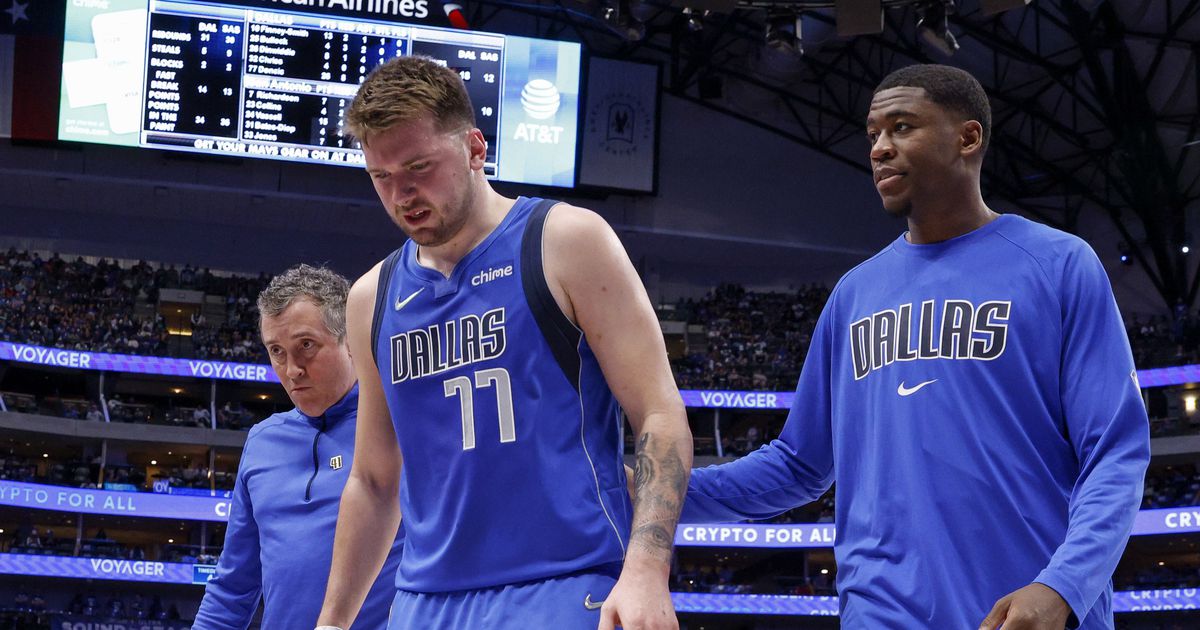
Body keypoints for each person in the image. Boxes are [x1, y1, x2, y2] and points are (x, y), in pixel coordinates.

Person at [680, 64, 1150, 630]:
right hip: (883, 614)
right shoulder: (854, 294)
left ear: (968, 138)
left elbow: (1116, 453)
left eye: (901, 127)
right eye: (873, 134)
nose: (879, 149)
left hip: (1027, 613)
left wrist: (1063, 586)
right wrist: (657, 491)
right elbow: (799, 464)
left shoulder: (1059, 265)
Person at [316, 56, 692, 630]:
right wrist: (333, 623)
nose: (402, 193)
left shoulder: (565, 240)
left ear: (473, 148)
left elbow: (659, 415)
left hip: (564, 583)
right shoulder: (373, 296)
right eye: (382, 177)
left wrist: (646, 569)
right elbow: (372, 479)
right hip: (423, 602)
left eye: (419, 166)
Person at [193, 265, 403, 629]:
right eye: (276, 351)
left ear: (350, 340)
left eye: (306, 346)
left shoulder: (399, 426)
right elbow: (233, 588)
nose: (292, 370)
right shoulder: (261, 443)